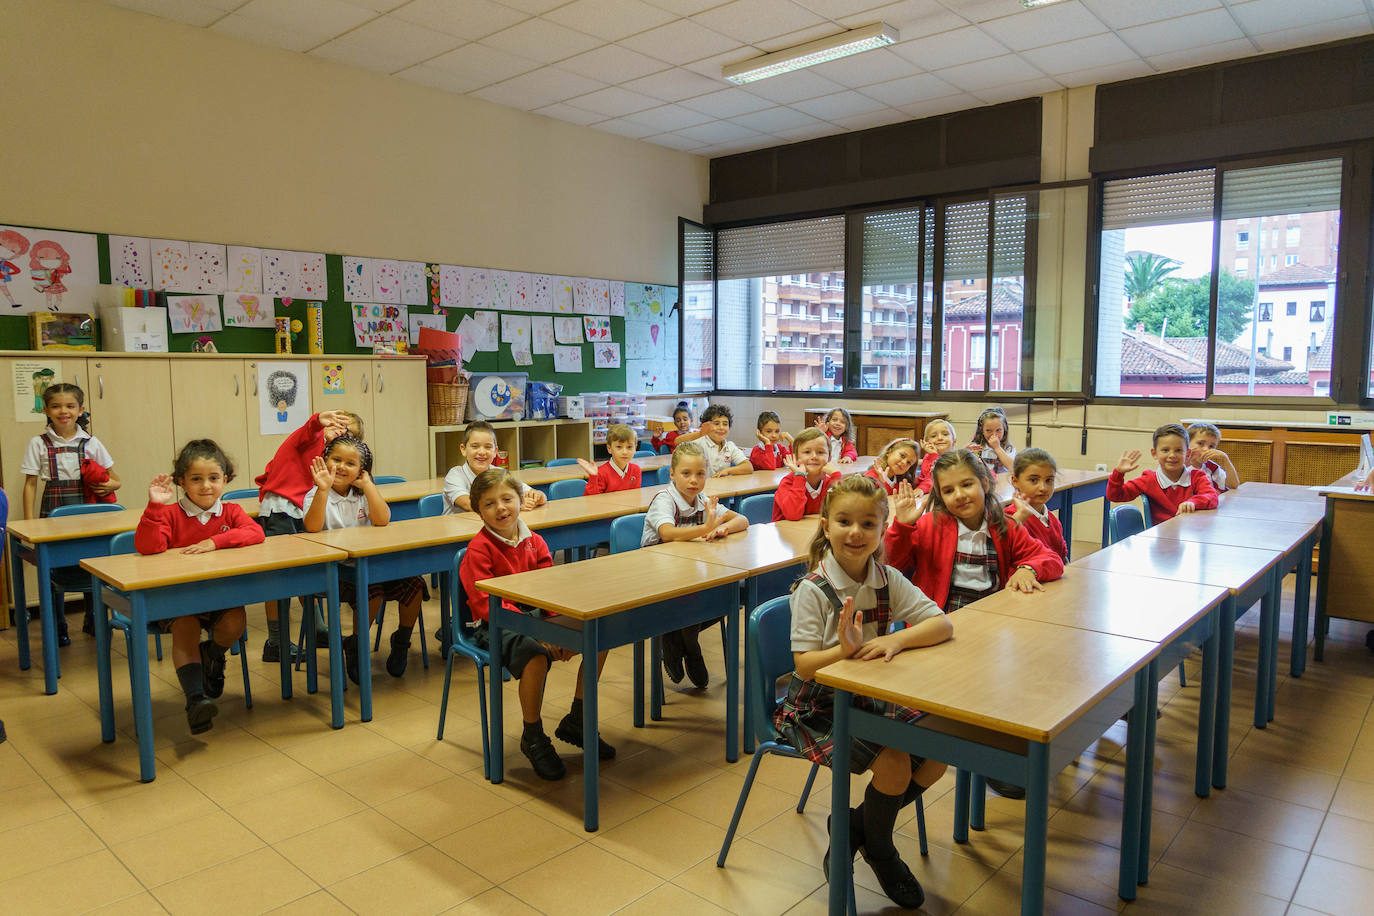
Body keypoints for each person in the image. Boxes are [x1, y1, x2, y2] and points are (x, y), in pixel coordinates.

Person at [775, 474, 951, 910]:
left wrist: (896, 640)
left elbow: (941, 623)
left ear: (881, 528)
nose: (856, 533)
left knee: (938, 755)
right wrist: (842, 651)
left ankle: (856, 829)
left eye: (868, 524)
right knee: (894, 763)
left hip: (871, 695)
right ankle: (883, 852)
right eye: (845, 521)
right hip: (816, 705)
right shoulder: (812, 590)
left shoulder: (886, 578)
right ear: (825, 524)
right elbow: (803, 666)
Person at [884, 449, 1063, 799]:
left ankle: (995, 756)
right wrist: (902, 525)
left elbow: (1050, 558)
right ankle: (965, 754)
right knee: (956, 700)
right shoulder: (930, 525)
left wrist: (1027, 568)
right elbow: (891, 564)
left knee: (1019, 675)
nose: (959, 495)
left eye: (967, 484)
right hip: (939, 626)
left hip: (991, 624)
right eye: (948, 491)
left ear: (985, 483)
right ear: (939, 496)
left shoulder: (1005, 525)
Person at [459, 468, 613, 780]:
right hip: (496, 623)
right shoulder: (479, 550)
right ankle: (533, 735)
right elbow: (486, 606)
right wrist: (543, 637)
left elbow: (550, 588)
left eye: (507, 499)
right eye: (489, 504)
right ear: (478, 511)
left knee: (597, 633)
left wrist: (557, 627)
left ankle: (579, 720)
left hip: (537, 615)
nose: (501, 508)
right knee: (535, 655)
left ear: (520, 500)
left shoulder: (535, 541)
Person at [134, 440, 265, 734]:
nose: (206, 486)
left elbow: (255, 533)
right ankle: (195, 701)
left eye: (214, 478)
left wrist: (215, 541)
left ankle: (212, 655)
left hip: (218, 595)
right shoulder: (168, 514)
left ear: (225, 479)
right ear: (181, 481)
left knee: (236, 622)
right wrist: (155, 506)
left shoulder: (230, 512)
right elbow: (147, 547)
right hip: (176, 598)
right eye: (196, 479)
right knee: (186, 627)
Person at [303, 437, 426, 681]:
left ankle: (401, 641)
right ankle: (357, 646)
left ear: (362, 470)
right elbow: (312, 527)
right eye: (335, 459)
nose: (341, 467)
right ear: (325, 460)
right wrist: (323, 490)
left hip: (370, 566)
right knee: (373, 592)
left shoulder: (361, 494)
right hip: (336, 571)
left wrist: (368, 486)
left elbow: (382, 519)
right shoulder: (316, 494)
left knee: (416, 586)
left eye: (350, 463)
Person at [253, 409, 361, 662]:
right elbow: (308, 431)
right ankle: (275, 642)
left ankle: (317, 630)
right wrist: (317, 422)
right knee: (279, 578)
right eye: (338, 426)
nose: (341, 434)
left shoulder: (331, 457)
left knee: (308, 573)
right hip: (281, 511)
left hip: (304, 511)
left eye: (349, 433)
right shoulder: (311, 438)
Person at [20, 382, 120, 644]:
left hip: (88, 510)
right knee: (53, 565)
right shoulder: (37, 443)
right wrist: (30, 524)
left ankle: (93, 618)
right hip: (53, 508)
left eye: (69, 406)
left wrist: (110, 484)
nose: (63, 411)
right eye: (56, 406)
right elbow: (30, 484)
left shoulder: (91, 442)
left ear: (80, 410)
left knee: (91, 562)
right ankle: (58, 624)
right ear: (46, 410)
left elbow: (116, 479)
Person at [641, 442, 748, 686]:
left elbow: (742, 519)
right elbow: (667, 533)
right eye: (686, 473)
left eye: (700, 474)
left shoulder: (702, 500)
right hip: (657, 573)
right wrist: (704, 528)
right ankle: (692, 648)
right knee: (694, 600)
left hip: (688, 570)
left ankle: (676, 638)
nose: (694, 480)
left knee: (730, 595)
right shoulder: (665, 500)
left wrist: (721, 528)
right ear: (672, 474)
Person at [1107, 423, 1219, 525]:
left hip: (1190, 535)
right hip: (1161, 538)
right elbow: (1115, 495)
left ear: (1188, 454)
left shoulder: (1197, 477)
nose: (1172, 455)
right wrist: (1118, 473)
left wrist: (1193, 502)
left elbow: (1212, 496)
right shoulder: (1148, 479)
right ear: (1154, 453)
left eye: (1178, 450)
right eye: (1165, 450)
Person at [442, 420, 545, 513]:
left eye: (488, 447)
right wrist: (515, 504)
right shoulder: (455, 475)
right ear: (463, 449)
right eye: (475, 446)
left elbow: (534, 493)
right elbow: (468, 504)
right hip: (461, 531)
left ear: (495, 451)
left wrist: (537, 497)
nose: (482, 452)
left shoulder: (500, 473)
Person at [1007, 448, 1068, 562]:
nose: (1043, 488)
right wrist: (1019, 519)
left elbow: (1063, 559)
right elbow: (1006, 554)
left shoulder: (1053, 521)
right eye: (1034, 480)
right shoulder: (1010, 517)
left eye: (1049, 480)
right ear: (1015, 481)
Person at [773, 428, 840, 521]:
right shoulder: (788, 483)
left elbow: (844, 510)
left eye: (820, 452)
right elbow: (793, 515)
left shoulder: (830, 483)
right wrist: (800, 477)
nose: (814, 456)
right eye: (807, 452)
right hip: (790, 533)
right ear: (796, 458)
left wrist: (836, 476)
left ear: (829, 458)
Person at [678, 404, 752, 477]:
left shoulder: (729, 446)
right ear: (707, 426)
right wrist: (700, 433)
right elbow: (677, 442)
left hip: (722, 487)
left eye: (725, 424)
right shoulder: (699, 443)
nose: (721, 427)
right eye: (716, 424)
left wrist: (727, 470)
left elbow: (748, 467)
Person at [577, 424, 642, 494]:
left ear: (635, 448)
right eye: (619, 447)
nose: (625, 452)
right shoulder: (601, 473)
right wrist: (593, 477)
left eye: (629, 447)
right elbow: (592, 500)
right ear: (609, 448)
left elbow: (635, 497)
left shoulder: (636, 470)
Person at [1186, 421, 1240, 493]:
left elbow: (1233, 485)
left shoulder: (1212, 468)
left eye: (1211, 446)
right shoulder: (1178, 466)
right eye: (1200, 443)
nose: (1206, 449)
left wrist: (1225, 459)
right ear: (1186, 443)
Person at [968, 406, 1016, 475]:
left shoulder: (1008, 448)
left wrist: (997, 448)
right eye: (988, 431)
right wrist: (966, 452)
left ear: (1004, 429)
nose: (994, 435)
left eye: (998, 430)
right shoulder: (976, 446)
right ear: (982, 430)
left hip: (1002, 483)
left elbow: (1013, 468)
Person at [914, 419, 957, 494]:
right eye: (933, 436)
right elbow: (931, 478)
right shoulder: (928, 458)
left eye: (945, 434)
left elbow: (943, 477)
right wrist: (933, 455)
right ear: (927, 442)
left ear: (954, 441)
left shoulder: (956, 458)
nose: (940, 438)